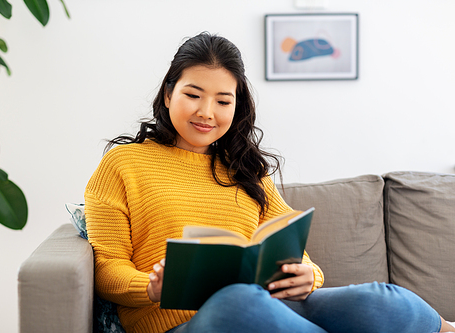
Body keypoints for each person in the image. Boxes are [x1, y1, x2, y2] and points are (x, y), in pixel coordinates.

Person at [85, 32, 454, 333]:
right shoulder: (124, 164)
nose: (206, 112)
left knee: (376, 299)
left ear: (237, 106)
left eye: (223, 101)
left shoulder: (246, 169)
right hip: (189, 321)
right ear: (168, 95)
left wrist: (310, 275)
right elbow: (106, 268)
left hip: (271, 308)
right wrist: (150, 288)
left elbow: (289, 249)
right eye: (193, 95)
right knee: (238, 303)